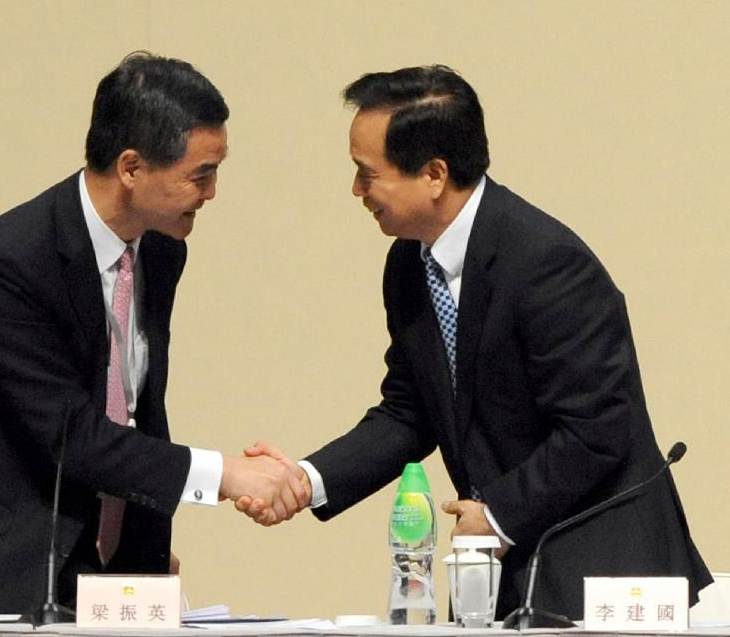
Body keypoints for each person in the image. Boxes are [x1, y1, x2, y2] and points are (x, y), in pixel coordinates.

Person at [239, 65, 711, 620]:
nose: (357, 190)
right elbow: (410, 413)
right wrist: (306, 479)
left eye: (368, 174)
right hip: (510, 571)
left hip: (602, 573)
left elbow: (596, 429)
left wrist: (498, 516)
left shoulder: (545, 262)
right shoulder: (410, 263)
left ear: (434, 174)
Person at [0, 51, 306, 618]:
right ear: (131, 168)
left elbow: (137, 406)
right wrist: (223, 474)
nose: (212, 192)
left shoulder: (162, 249)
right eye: (201, 174)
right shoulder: (10, 262)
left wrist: (144, 560)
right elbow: (71, 434)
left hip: (87, 572)